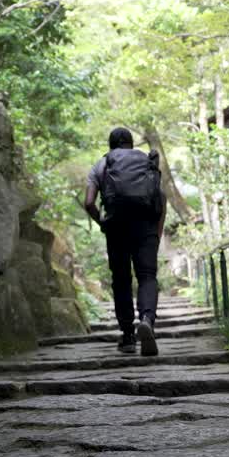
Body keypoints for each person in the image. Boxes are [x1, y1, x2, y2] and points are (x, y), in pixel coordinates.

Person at [83, 127, 165, 356]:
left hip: (116, 226)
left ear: (110, 145)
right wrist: (156, 235)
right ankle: (147, 320)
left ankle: (128, 337)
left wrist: (102, 223)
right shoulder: (146, 161)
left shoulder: (102, 164)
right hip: (146, 225)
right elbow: (160, 199)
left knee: (121, 280)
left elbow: (88, 202)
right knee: (147, 276)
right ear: (131, 143)